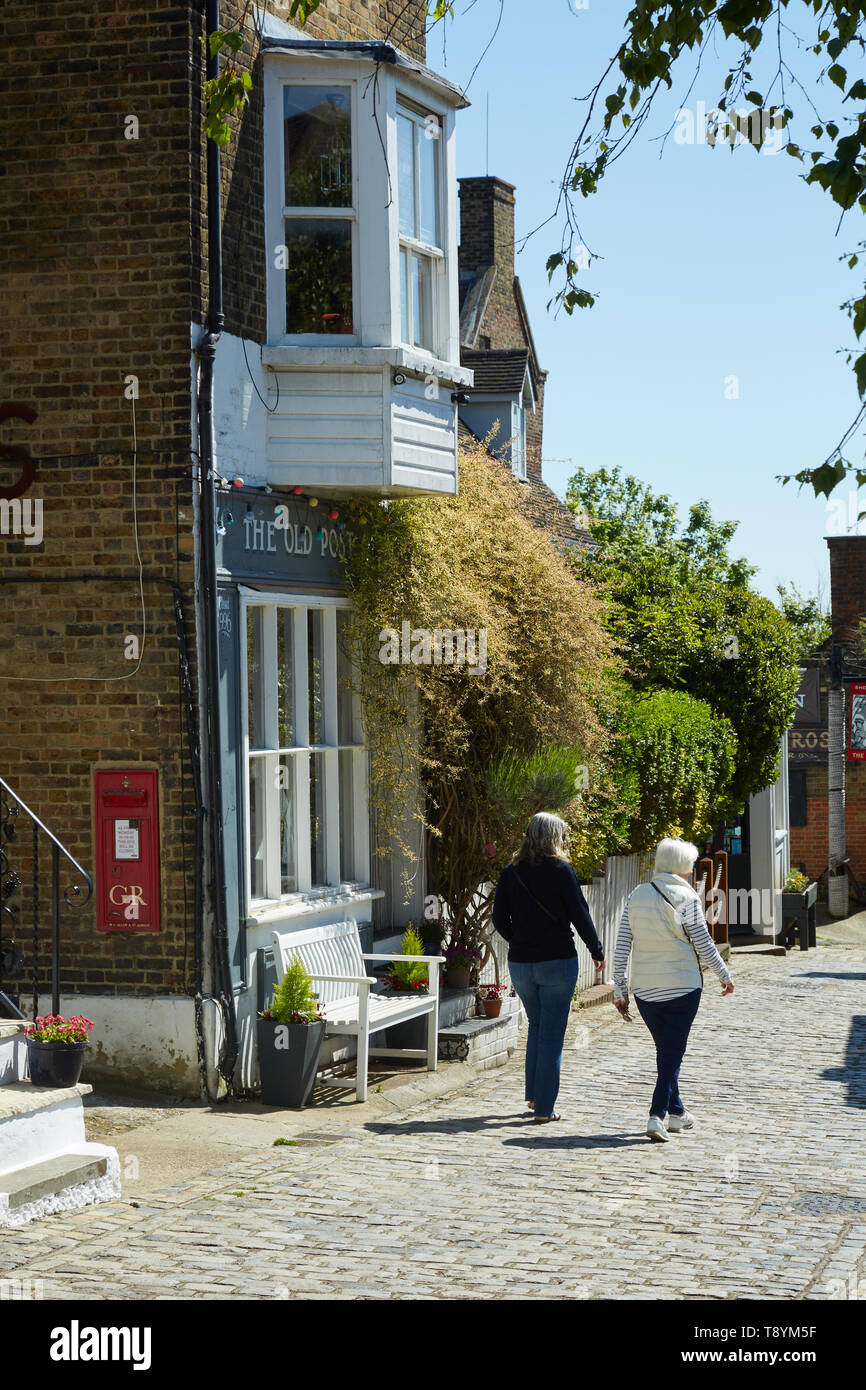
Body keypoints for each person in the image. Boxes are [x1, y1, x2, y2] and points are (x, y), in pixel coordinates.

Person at [612, 837, 734, 1142]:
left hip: (646, 991)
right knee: (672, 1051)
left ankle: (678, 1113)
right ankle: (657, 1115)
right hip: (682, 986)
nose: (692, 872)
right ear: (682, 867)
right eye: (690, 866)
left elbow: (622, 944)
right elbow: (704, 944)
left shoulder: (636, 895)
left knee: (666, 1051)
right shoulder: (687, 898)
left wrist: (620, 988)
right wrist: (724, 974)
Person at [492, 811, 605, 1124]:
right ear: (555, 837)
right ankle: (544, 1109)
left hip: (522, 963)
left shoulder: (509, 872)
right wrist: (596, 950)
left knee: (538, 1026)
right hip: (557, 960)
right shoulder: (561, 870)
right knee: (552, 1034)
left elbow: (499, 918)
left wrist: (520, 939)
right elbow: (580, 914)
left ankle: (533, 1096)